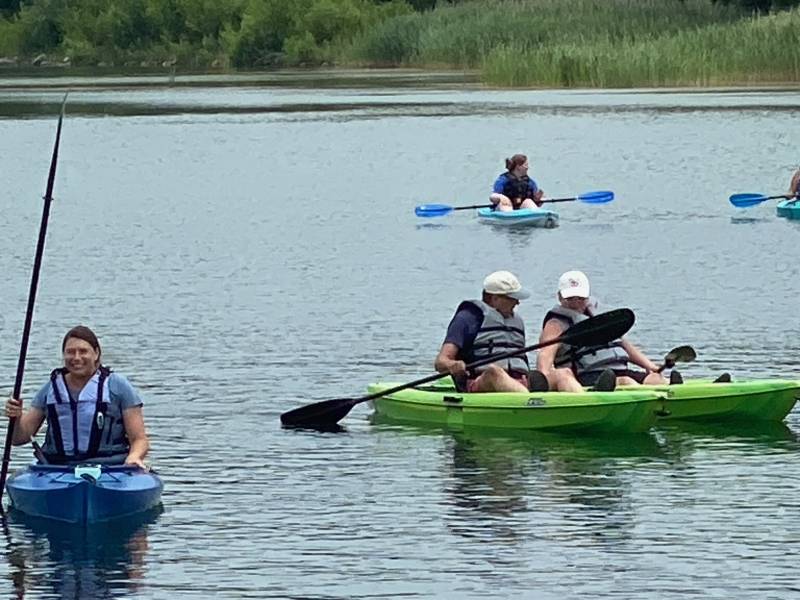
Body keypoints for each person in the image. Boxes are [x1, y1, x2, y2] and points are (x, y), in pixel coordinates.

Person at [4, 325, 151, 467]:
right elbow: (18, 438)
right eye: (70, 352)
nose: (76, 357)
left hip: (110, 467)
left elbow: (139, 439)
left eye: (83, 351)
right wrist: (16, 418)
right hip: (56, 468)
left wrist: (134, 457)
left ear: (96, 354)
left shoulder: (118, 386)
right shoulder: (50, 389)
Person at [536, 271, 670, 393]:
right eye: (570, 298)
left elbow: (623, 345)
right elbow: (545, 355)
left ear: (587, 296)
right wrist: (544, 379)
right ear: (560, 297)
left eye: (580, 298)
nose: (576, 303)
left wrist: (651, 367)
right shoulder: (555, 324)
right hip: (588, 375)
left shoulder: (598, 316)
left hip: (620, 370)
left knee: (656, 379)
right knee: (626, 382)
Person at [434, 271, 549, 393]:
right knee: (494, 371)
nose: (517, 302)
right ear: (494, 299)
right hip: (481, 382)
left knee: (562, 373)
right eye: (512, 298)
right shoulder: (467, 318)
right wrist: (452, 365)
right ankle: (529, 403)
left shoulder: (516, 321)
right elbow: (440, 362)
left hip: (519, 380)